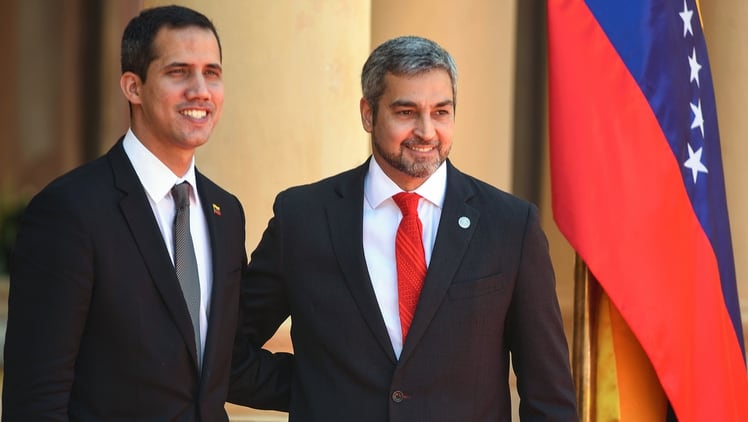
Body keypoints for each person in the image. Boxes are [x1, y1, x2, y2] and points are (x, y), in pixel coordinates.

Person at [229, 35, 578, 420]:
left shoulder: (511, 226)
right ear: (368, 113)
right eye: (406, 112)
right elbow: (227, 353)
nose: (426, 131)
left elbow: (549, 396)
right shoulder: (302, 218)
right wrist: (315, 389)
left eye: (441, 112)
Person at [2, 5, 289, 420]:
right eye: (178, 72)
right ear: (133, 87)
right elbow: (36, 399)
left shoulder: (225, 212)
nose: (200, 90)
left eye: (212, 72)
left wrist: (363, 386)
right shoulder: (69, 211)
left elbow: (224, 365)